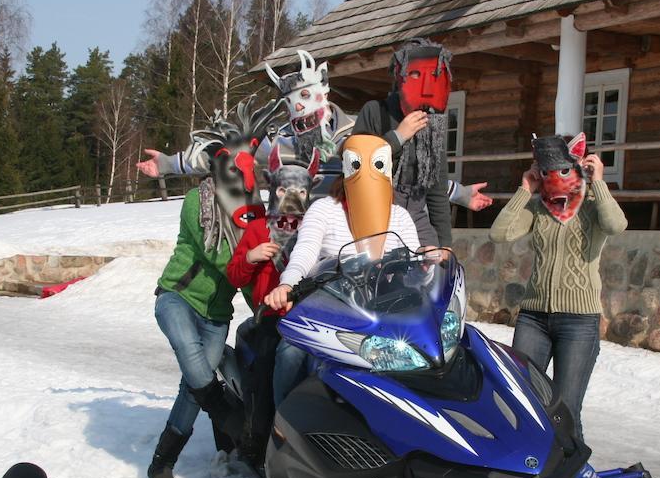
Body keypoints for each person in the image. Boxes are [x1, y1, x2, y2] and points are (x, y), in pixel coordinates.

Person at [136, 49, 492, 213]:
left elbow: (402, 175)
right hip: (292, 243)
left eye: (308, 97)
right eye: (294, 101)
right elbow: (223, 151)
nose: (302, 108)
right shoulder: (277, 142)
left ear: (325, 96)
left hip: (344, 242)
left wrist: (460, 194)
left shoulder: (355, 133)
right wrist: (169, 164)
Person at [142, 98, 278, 478]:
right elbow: (217, 256)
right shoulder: (196, 202)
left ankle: (161, 464)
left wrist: (271, 304)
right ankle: (228, 417)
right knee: (189, 351)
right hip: (178, 298)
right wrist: (249, 255)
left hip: (217, 314)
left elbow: (254, 277)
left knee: (192, 382)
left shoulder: (252, 216)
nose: (242, 178)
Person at [489, 133, 627, 442]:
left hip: (578, 322)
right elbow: (499, 234)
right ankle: (529, 474)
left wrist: (599, 183)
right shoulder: (539, 209)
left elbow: (617, 225)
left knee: (565, 409)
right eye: (547, 170)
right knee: (523, 400)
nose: (555, 177)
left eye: (563, 169)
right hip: (534, 318)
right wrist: (524, 190)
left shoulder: (593, 206)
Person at [225, 146, 319, 456]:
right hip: (269, 317)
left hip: (308, 317)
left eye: (300, 191)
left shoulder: (314, 229)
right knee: (265, 371)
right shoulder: (256, 228)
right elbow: (235, 277)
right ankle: (260, 438)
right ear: (272, 190)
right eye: (283, 189)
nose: (291, 198)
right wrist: (250, 257)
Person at [265, 134, 421, 314]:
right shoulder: (324, 209)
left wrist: (428, 263)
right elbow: (305, 251)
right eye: (357, 165)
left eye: (378, 165)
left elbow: (414, 266)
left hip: (387, 312)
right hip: (332, 311)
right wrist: (288, 284)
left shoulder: (400, 216)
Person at [352, 38, 459, 249]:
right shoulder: (375, 111)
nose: (425, 84)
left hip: (417, 220)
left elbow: (436, 189)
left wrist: (444, 244)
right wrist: (397, 137)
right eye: (416, 74)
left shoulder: (432, 123)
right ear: (399, 75)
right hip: (375, 217)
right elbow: (354, 167)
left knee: (435, 271)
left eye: (434, 75)